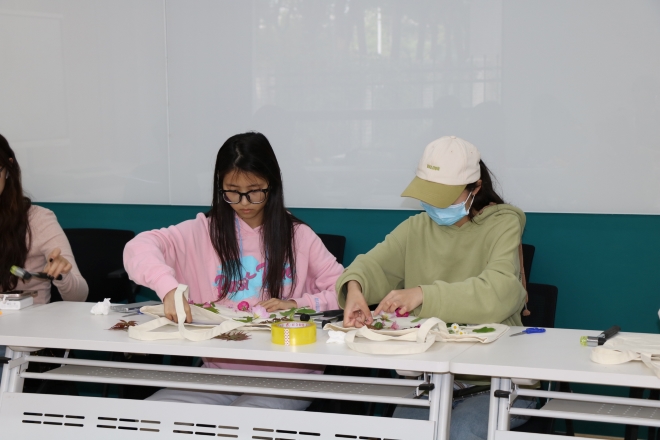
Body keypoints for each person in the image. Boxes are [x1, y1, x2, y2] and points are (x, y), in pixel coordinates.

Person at [123, 131, 343, 410]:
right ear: (220, 187)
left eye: (254, 190)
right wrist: (168, 288)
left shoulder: (299, 236)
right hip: (219, 373)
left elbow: (344, 292)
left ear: (272, 184)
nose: (244, 202)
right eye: (232, 191)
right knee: (150, 417)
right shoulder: (203, 232)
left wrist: (296, 304)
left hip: (289, 376)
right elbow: (139, 247)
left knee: (241, 424)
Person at [336, 135, 533, 440]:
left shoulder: (503, 225)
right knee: (405, 430)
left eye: (446, 196)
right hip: (435, 380)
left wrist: (422, 294)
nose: (436, 205)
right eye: (429, 195)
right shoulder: (417, 228)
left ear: (475, 188)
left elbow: (499, 292)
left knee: (461, 432)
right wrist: (354, 288)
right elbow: (370, 265)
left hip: (498, 382)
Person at [0, 133, 88, 304]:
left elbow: (80, 296)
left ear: (8, 169)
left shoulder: (38, 219)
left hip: (29, 319)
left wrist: (62, 274)